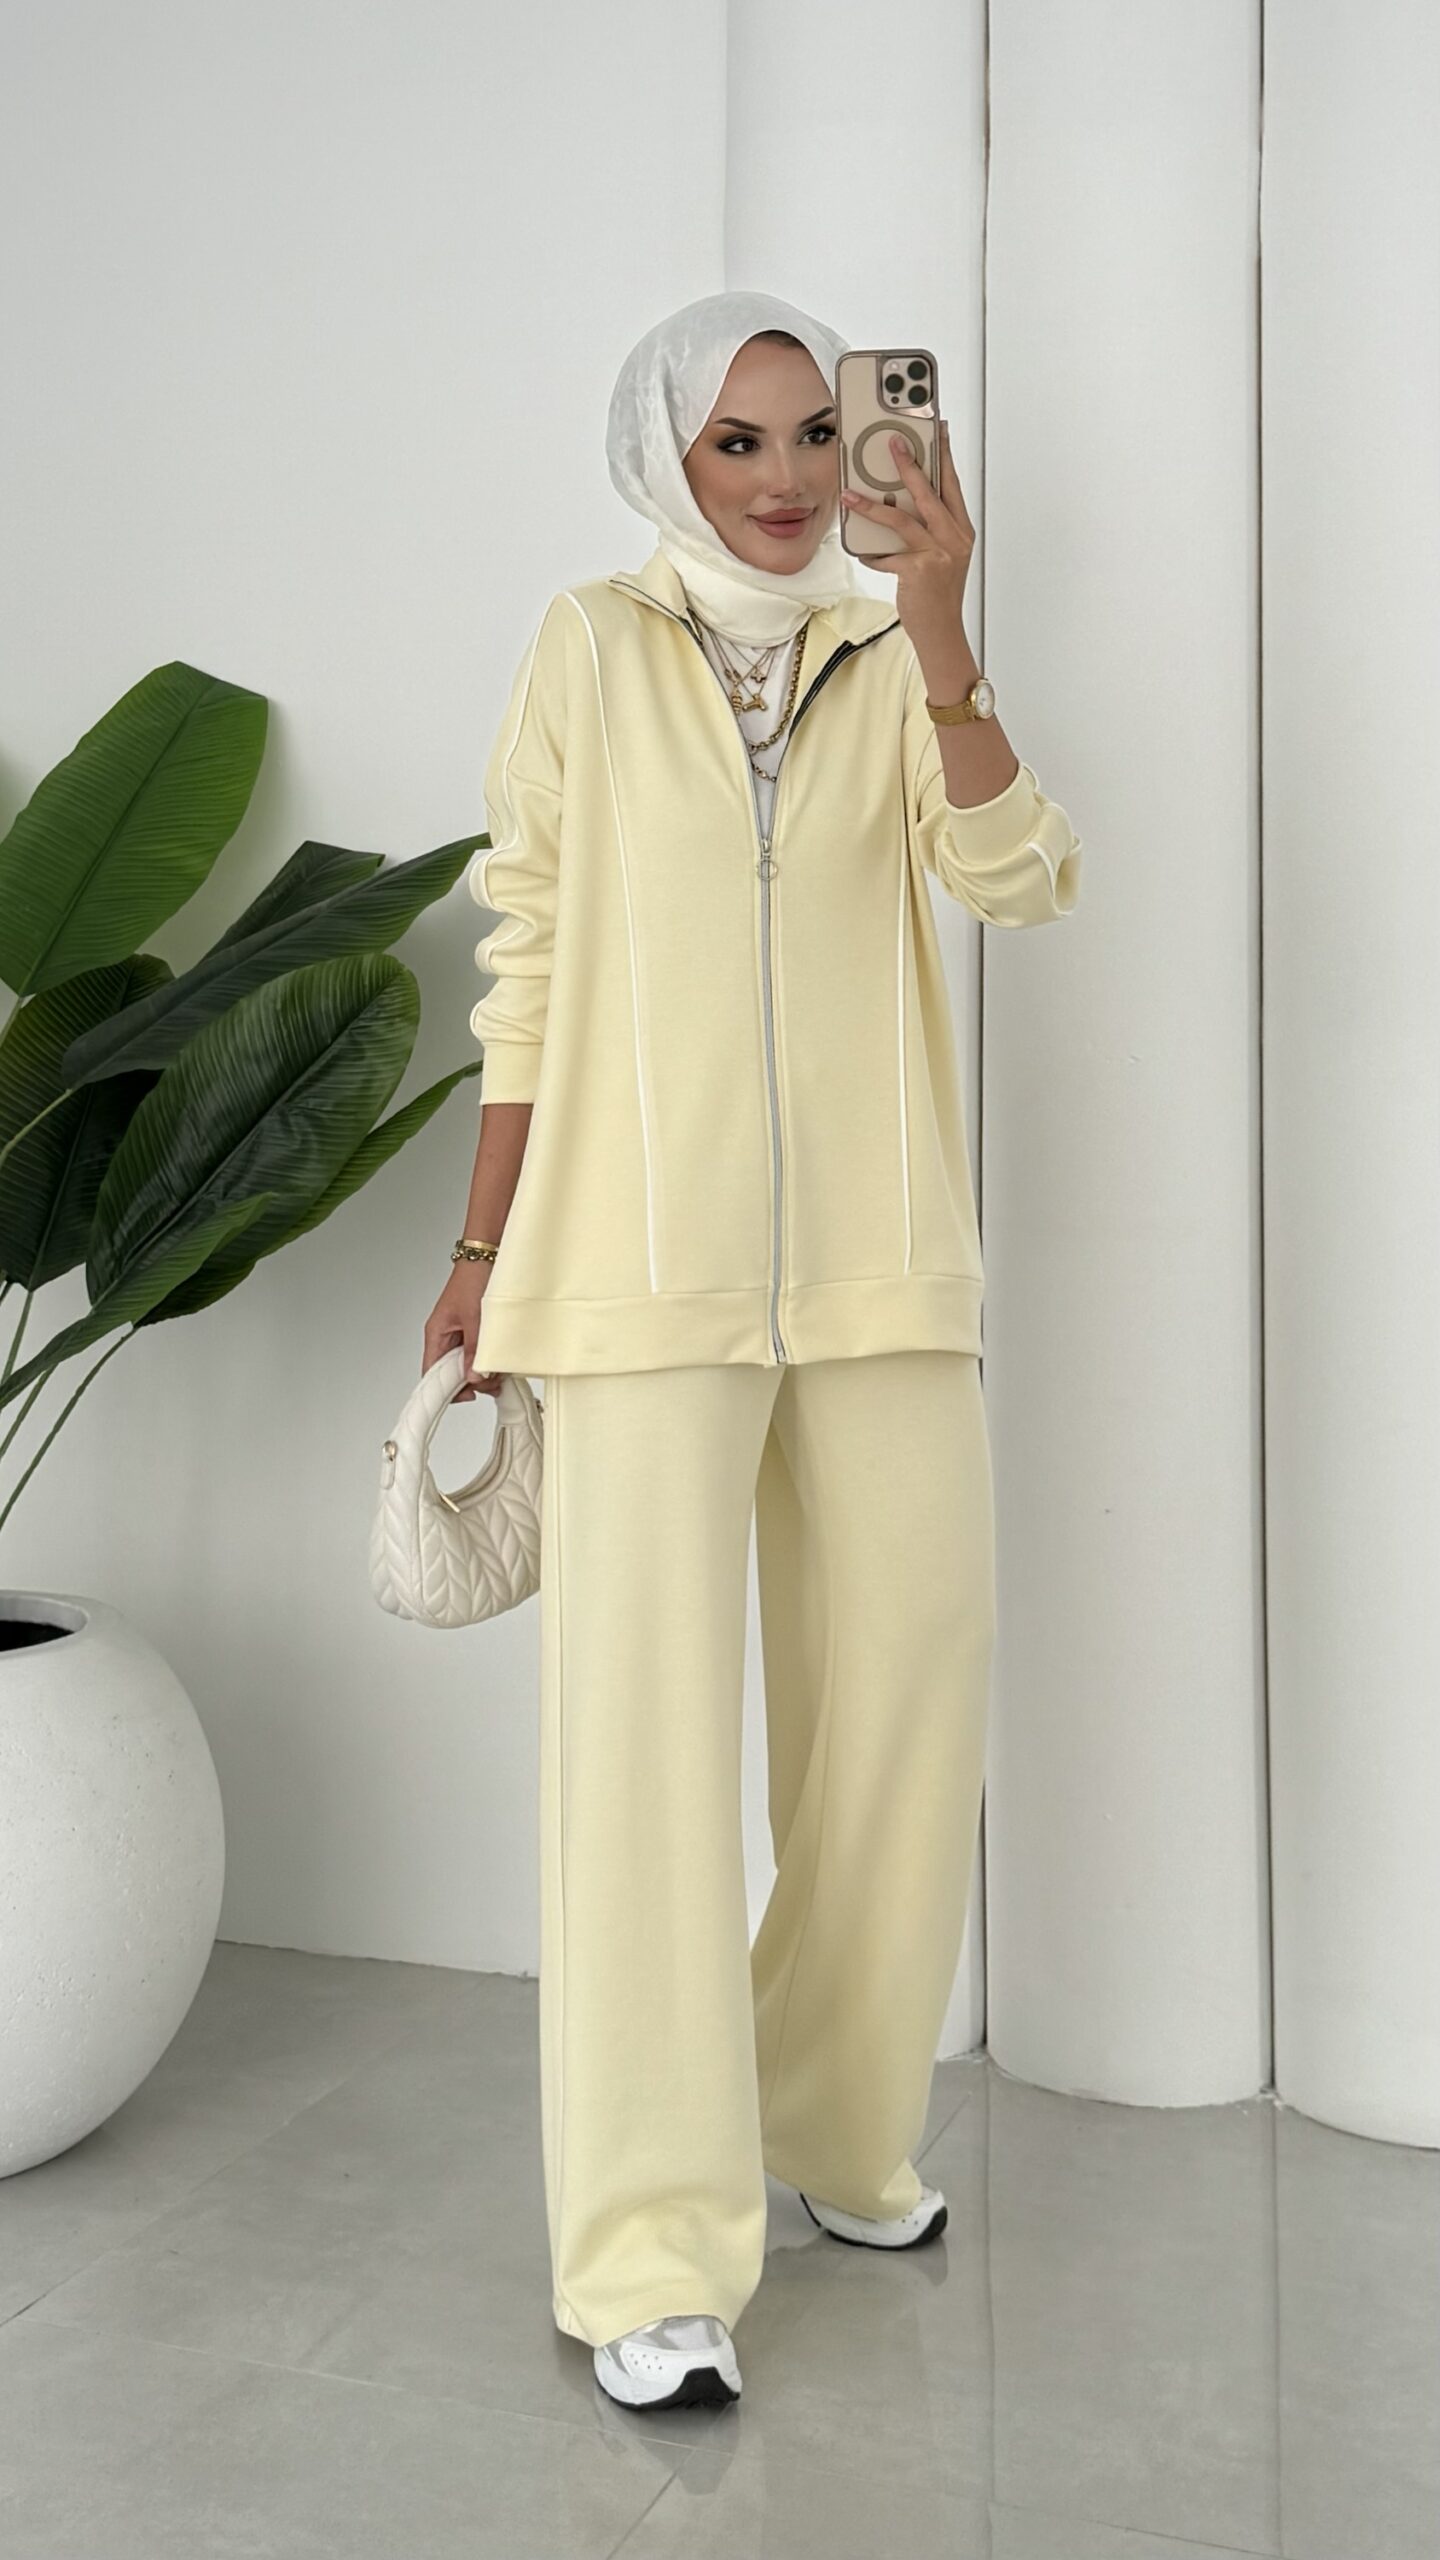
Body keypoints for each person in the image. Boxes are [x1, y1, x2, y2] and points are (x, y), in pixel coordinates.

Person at [422, 290, 1082, 2413]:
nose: (790, 478)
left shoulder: (888, 659)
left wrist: (946, 622)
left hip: (882, 1275)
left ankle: (828, 2117)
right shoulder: (590, 649)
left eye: (816, 432)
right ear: (665, 456)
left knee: (907, 1701)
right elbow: (527, 960)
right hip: (637, 1275)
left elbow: (1021, 878)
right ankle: (645, 2245)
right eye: (741, 441)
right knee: (644, 1758)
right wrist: (482, 1247)